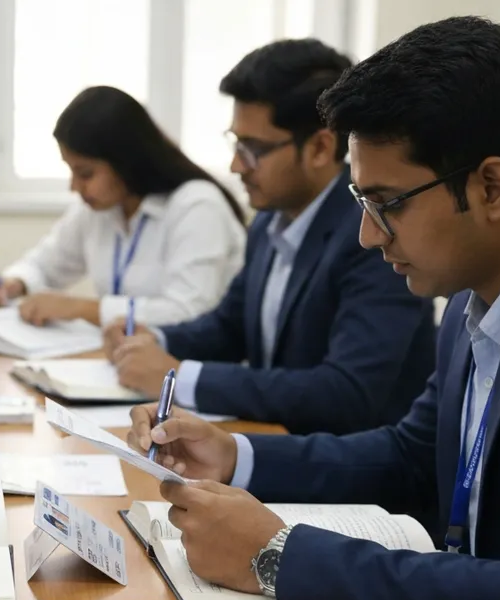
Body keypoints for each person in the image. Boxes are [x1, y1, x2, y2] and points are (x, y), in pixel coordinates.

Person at [129, 17, 500, 600]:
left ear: (493, 187)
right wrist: (235, 455)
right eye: (359, 200)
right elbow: (408, 455)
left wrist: (278, 554)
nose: (367, 235)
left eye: (387, 202)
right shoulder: (470, 303)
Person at [106, 39, 435, 435]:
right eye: (235, 142)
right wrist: (153, 337)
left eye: (253, 148)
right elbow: (230, 327)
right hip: (279, 444)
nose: (235, 164)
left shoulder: (372, 235)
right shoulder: (269, 221)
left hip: (350, 472)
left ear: (319, 148)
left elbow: (346, 392)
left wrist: (183, 377)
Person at [0, 85, 247, 328]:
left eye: (85, 174)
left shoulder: (197, 206)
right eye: (71, 172)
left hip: (185, 371)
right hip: (126, 359)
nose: (74, 187)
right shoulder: (98, 208)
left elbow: (188, 311)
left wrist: (80, 308)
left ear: (126, 162)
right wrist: (15, 283)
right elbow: (45, 263)